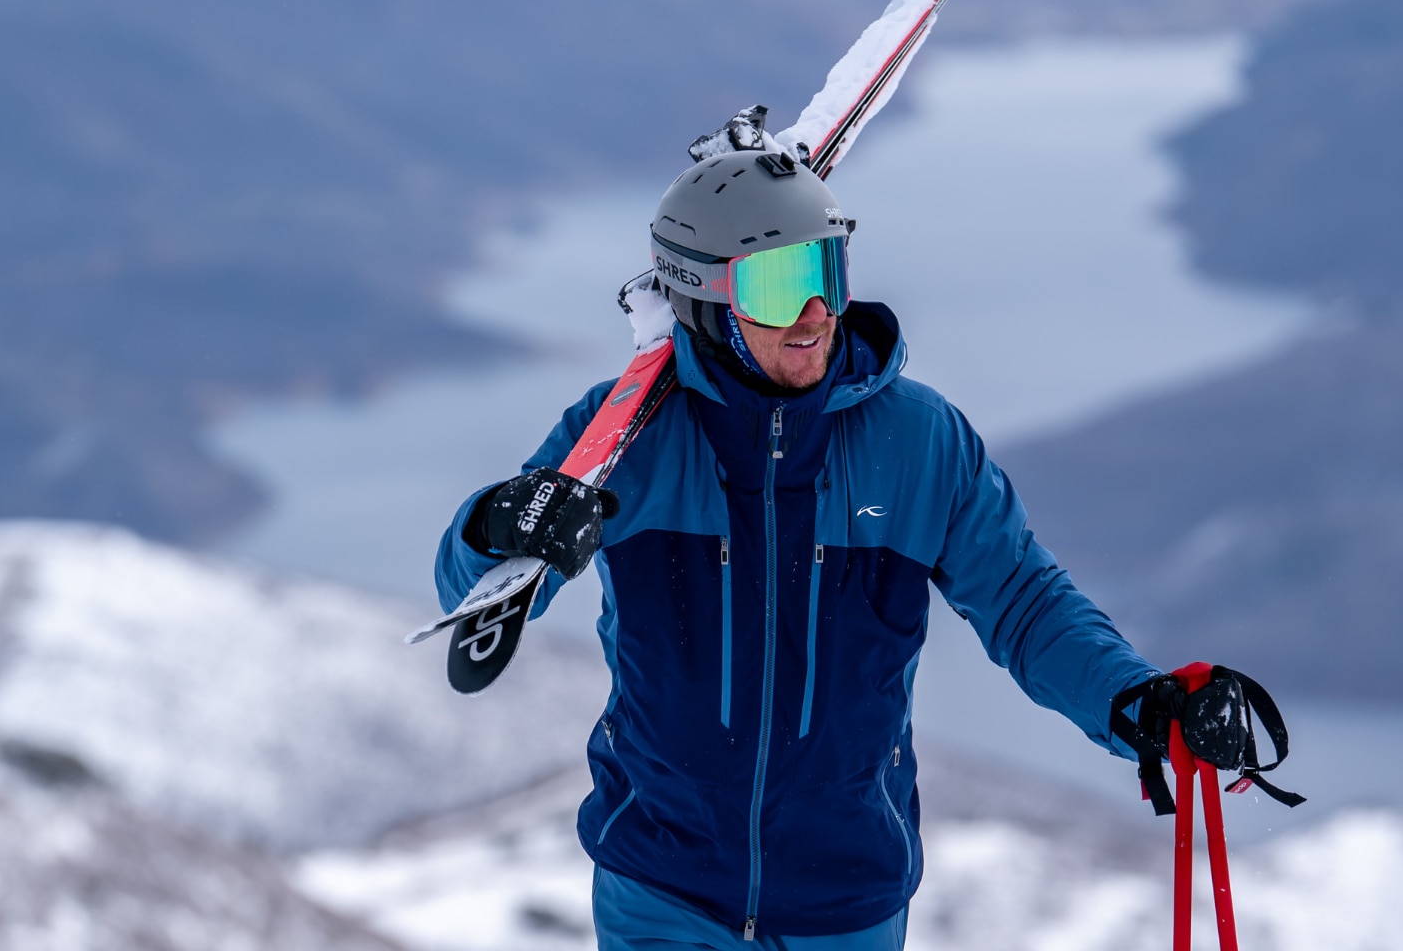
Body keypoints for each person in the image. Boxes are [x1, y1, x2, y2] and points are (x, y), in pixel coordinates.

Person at [434, 146, 1252, 949]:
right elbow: (473, 594)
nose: (817, 313)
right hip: (662, 889)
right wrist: (497, 524)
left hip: (846, 901)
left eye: (827, 271)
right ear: (705, 297)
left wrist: (1140, 703)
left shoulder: (918, 442)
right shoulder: (630, 437)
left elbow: (1025, 603)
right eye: (783, 286)